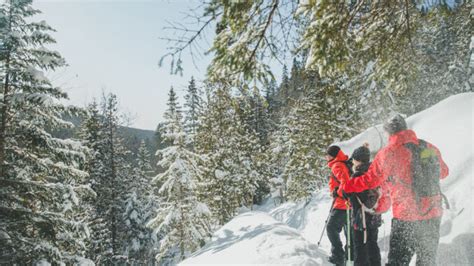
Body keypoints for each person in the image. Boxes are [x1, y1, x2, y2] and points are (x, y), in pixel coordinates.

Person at [343, 114, 449, 266]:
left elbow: (369, 180)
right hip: (433, 214)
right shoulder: (428, 147)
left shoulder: (388, 153)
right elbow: (444, 172)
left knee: (397, 262)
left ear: (389, 133)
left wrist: (347, 186)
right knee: (427, 261)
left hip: (406, 218)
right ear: (405, 128)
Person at [347, 143, 382, 266]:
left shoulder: (357, 175)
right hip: (374, 216)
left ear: (358, 161)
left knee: (360, 249)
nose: (353, 162)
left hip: (361, 219)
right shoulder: (374, 172)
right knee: (372, 244)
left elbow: (347, 192)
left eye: (354, 160)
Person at [326, 145, 353, 265]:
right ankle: (350, 257)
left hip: (342, 204)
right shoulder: (343, 163)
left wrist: (337, 192)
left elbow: (346, 183)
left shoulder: (337, 165)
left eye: (327, 155)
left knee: (331, 228)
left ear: (333, 155)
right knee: (349, 232)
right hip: (348, 203)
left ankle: (338, 256)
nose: (326, 157)